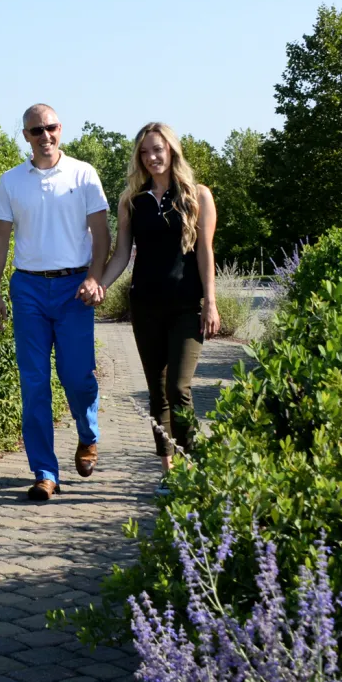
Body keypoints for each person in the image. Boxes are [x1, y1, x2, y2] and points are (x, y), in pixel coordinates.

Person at [0, 103, 110, 501]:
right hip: (28, 291)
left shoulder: (83, 173)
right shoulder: (10, 182)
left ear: (60, 129)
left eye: (50, 128)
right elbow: (0, 240)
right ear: (25, 136)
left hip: (74, 288)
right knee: (34, 383)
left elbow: (102, 234)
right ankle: (44, 471)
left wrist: (94, 277)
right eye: (36, 131)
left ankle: (87, 433)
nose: (45, 136)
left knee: (76, 376)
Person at [99, 122, 218, 472]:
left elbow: (205, 252)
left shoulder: (198, 196)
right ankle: (169, 469)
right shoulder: (132, 201)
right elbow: (121, 254)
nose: (152, 157)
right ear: (139, 157)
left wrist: (210, 302)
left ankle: (193, 465)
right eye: (145, 152)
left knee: (179, 388)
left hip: (185, 307)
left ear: (172, 151)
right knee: (157, 391)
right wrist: (101, 284)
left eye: (158, 149)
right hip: (145, 307)